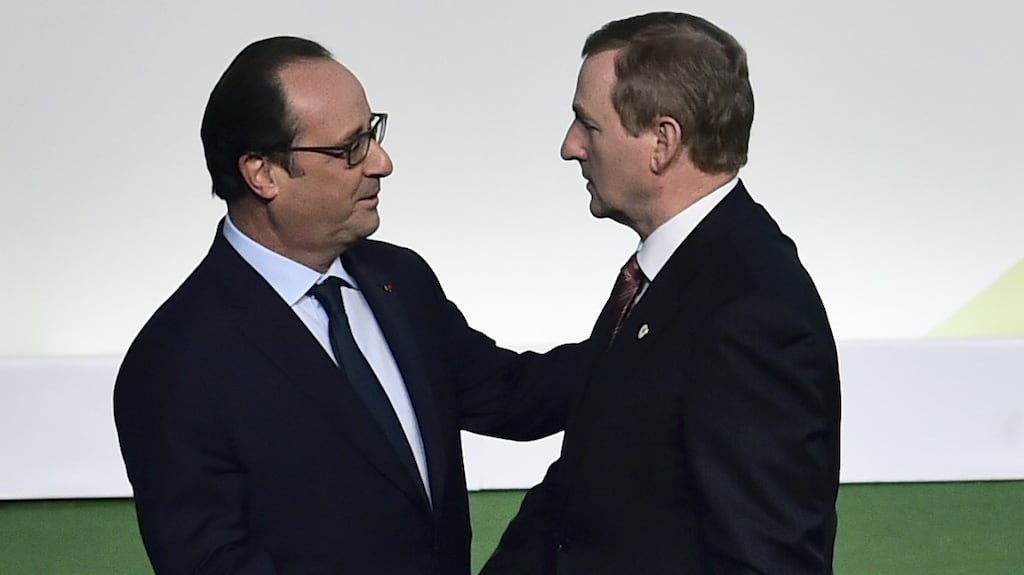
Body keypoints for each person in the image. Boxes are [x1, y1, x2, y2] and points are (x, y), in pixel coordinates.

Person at [113, 36, 584, 575]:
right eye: (349, 148)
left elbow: (512, 396)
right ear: (262, 172)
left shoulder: (400, 280)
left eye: (373, 134)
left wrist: (654, 325)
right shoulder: (177, 362)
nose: (382, 162)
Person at [482, 12, 841, 575]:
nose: (569, 147)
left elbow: (767, 561)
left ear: (662, 142)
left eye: (588, 125)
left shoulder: (752, 311)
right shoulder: (676, 276)